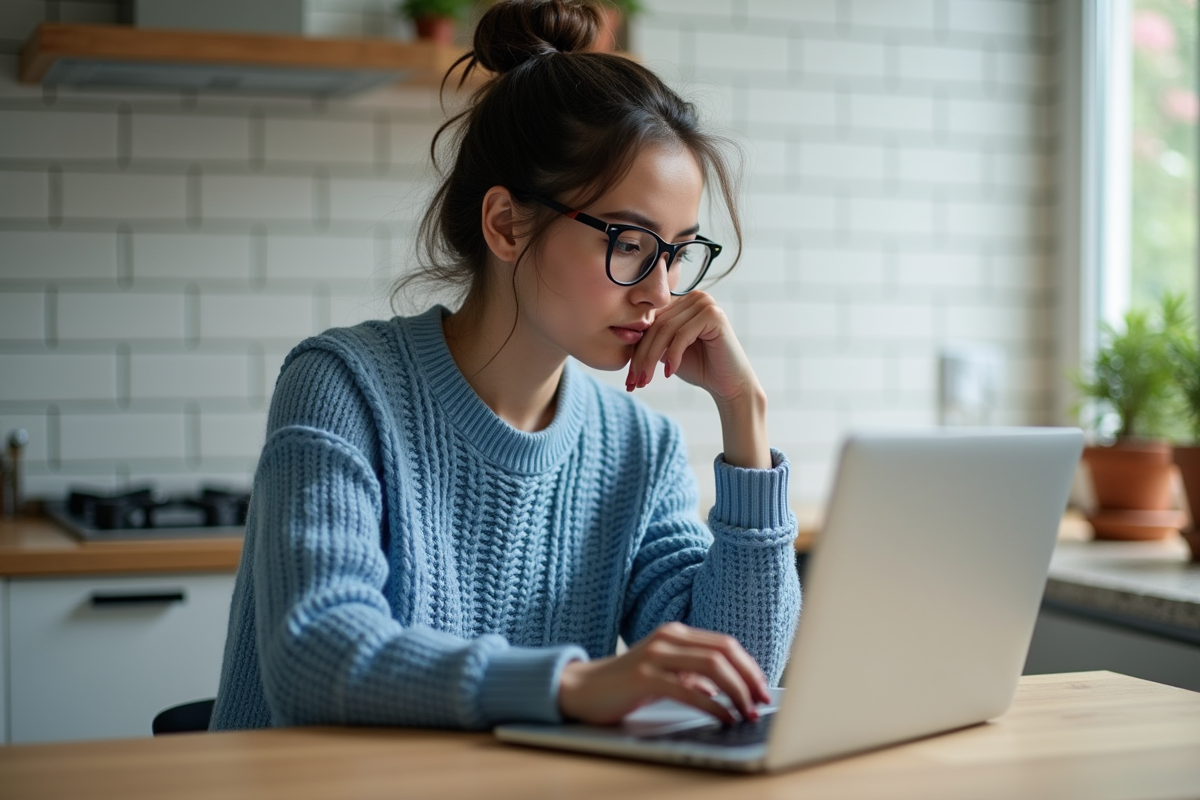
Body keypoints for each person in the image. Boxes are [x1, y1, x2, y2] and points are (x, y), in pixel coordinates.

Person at [210, 0, 801, 732]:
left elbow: (736, 679)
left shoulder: (636, 451)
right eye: (629, 241)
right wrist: (571, 686)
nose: (661, 290)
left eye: (677, 252)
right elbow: (315, 656)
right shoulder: (343, 386)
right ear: (506, 224)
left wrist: (744, 414)